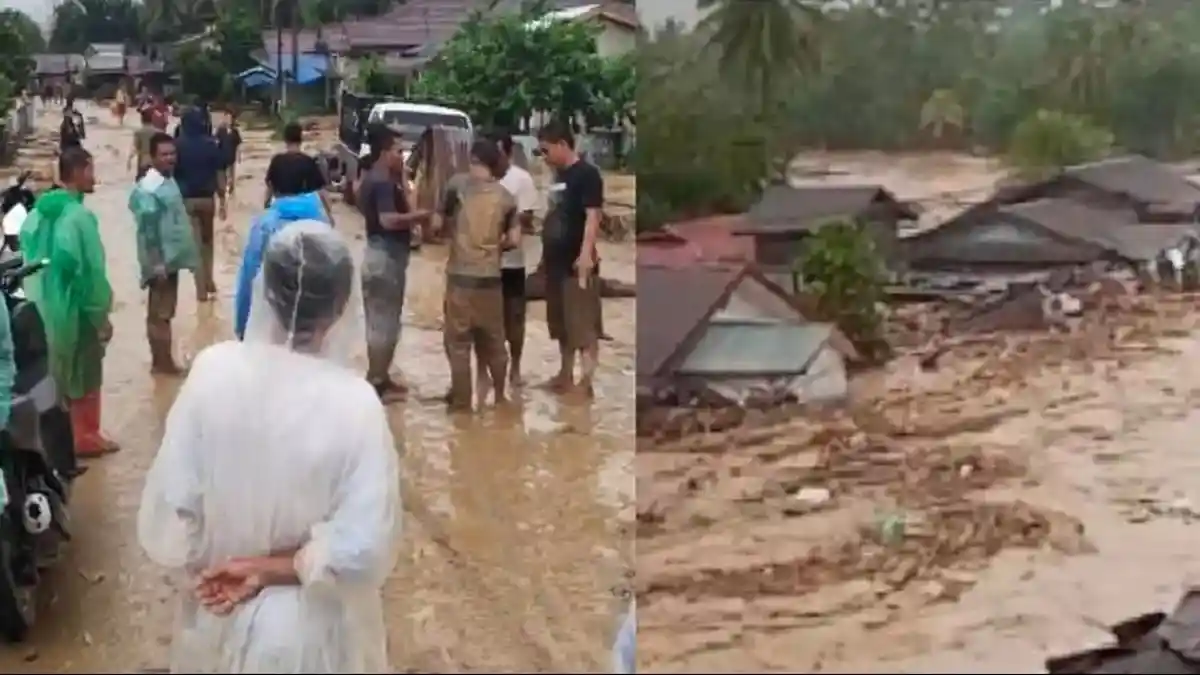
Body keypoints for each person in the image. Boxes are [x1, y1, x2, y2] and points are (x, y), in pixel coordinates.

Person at [136, 222, 400, 673]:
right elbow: (364, 548)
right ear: (340, 308)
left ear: (266, 291)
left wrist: (224, 561)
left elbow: (173, 510)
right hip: (310, 637)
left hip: (215, 615)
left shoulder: (211, 372)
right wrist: (271, 567)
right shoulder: (356, 405)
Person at [20, 148, 117, 458]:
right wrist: (100, 315)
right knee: (86, 372)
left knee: (53, 374)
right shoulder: (79, 217)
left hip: (41, 308)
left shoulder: (36, 213)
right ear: (76, 172)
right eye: (90, 170)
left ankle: (57, 441)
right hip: (74, 310)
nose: (94, 177)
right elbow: (88, 273)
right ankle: (86, 437)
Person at [437, 139, 518, 410]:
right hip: (491, 280)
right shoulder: (507, 198)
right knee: (495, 342)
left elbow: (438, 223)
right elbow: (515, 240)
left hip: (460, 278)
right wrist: (494, 245)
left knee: (458, 344)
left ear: (472, 160)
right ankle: (500, 397)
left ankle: (461, 404)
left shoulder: (457, 186)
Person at [358, 127, 430, 402]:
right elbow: (388, 219)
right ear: (384, 152)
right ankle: (375, 383)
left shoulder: (379, 178)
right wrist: (420, 216)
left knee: (385, 321)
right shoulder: (383, 182)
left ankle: (381, 378)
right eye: (398, 151)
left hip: (381, 254)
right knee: (383, 324)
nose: (402, 156)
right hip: (385, 256)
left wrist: (402, 176)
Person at [536, 121, 604, 396]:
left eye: (545, 150)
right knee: (562, 324)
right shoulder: (557, 176)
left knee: (584, 325)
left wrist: (586, 254)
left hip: (578, 263)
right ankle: (565, 375)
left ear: (562, 145)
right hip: (554, 262)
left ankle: (586, 383)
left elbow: (593, 215)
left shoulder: (587, 174)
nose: (544, 157)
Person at [128, 133, 200, 375]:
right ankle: (164, 365)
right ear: (152, 156)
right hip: (161, 261)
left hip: (169, 259)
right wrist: (157, 263)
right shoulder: (150, 187)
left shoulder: (165, 180)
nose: (170, 159)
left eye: (172, 153)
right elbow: (148, 229)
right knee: (161, 314)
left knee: (161, 312)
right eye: (165, 154)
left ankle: (159, 363)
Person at [234, 192, 330, 339]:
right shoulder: (325, 230)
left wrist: (242, 327)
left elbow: (250, 278)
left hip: (273, 323)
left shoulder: (265, 226)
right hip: (316, 330)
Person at [488, 130, 538, 387]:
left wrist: (506, 225)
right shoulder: (480, 179)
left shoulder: (522, 179)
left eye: (499, 153)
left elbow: (528, 218)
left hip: (513, 263)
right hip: (485, 265)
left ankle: (515, 368)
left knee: (515, 318)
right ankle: (489, 372)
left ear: (508, 153)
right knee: (487, 321)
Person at [173, 107, 228, 302]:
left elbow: (170, 176)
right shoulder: (211, 145)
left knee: (195, 246)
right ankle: (209, 279)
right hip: (207, 200)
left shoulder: (177, 145)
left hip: (186, 201)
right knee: (208, 243)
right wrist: (223, 200)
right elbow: (220, 174)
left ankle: (200, 291)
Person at [264, 121, 334, 223]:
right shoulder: (309, 161)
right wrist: (329, 215)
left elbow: (270, 189)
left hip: (282, 212)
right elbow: (322, 192)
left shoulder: (276, 161)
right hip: (306, 213)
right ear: (301, 139)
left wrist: (266, 207)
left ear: (285, 139)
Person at [215, 111, 243, 196]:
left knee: (231, 174)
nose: (227, 120)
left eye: (229, 118)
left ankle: (231, 188)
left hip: (231, 157)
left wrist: (239, 156)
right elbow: (216, 142)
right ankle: (224, 189)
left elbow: (238, 145)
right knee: (223, 175)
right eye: (226, 118)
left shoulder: (235, 131)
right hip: (222, 157)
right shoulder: (220, 130)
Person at [128, 108, 158, 178]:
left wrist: (129, 159)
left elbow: (135, 147)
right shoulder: (158, 132)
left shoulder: (139, 132)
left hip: (143, 161)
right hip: (155, 161)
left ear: (142, 119)